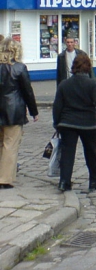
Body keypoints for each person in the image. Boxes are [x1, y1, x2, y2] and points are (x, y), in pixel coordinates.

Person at [53, 53, 96, 192]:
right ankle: (93, 181)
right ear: (88, 67)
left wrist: (57, 123)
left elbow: (57, 106)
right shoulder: (92, 84)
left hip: (67, 123)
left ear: (74, 67)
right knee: (90, 152)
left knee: (68, 154)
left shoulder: (64, 84)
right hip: (88, 124)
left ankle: (64, 182)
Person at [0, 39, 39, 189]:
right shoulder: (19, 68)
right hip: (13, 110)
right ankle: (4, 178)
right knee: (10, 144)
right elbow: (27, 91)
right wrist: (34, 111)